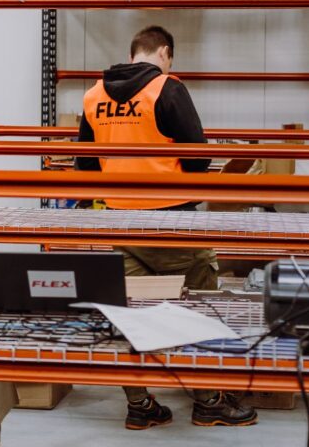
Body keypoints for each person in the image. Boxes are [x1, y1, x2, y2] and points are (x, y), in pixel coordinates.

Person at [75, 25, 258, 430]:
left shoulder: (93, 95)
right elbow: (197, 158)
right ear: (164, 52)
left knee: (130, 315)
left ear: (132, 52)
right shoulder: (167, 88)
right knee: (200, 309)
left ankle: (140, 406)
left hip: (120, 223)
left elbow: (84, 166)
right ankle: (209, 401)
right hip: (173, 222)